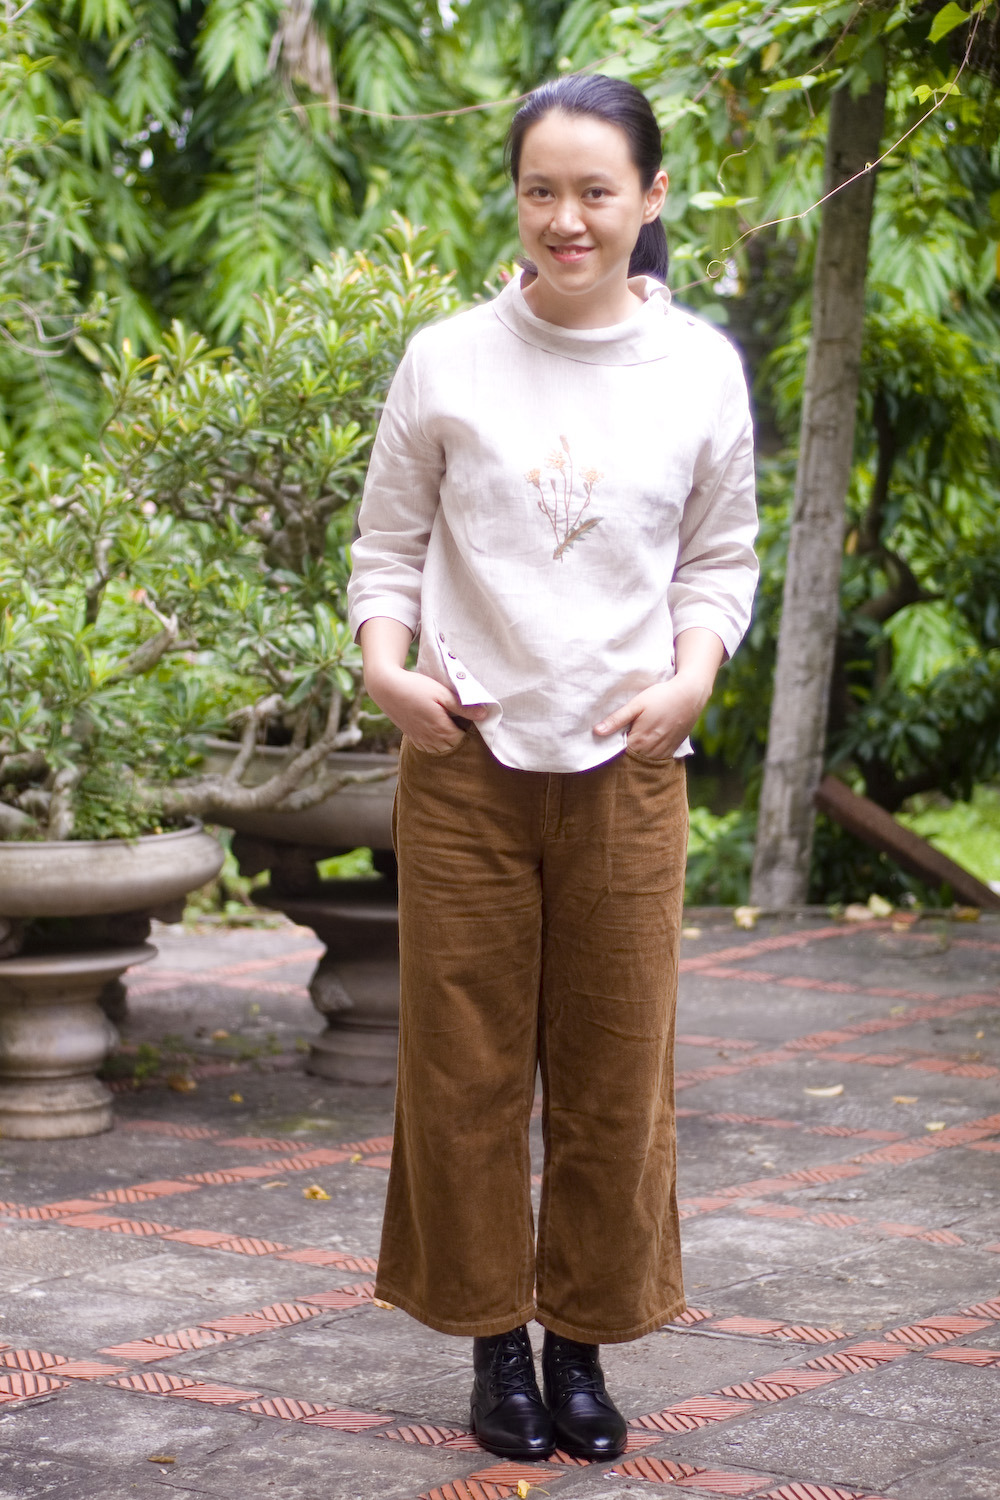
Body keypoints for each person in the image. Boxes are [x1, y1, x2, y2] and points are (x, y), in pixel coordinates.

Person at [347, 73, 758, 1464]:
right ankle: (492, 1348)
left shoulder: (697, 367)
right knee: (461, 1068)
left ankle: (580, 1344)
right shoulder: (448, 358)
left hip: (628, 766)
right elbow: (387, 546)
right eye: (541, 190)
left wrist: (691, 678)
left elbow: (720, 559)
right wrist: (387, 667)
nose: (566, 218)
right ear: (515, 198)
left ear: (651, 197)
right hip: (464, 758)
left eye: (596, 191)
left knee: (615, 1069)